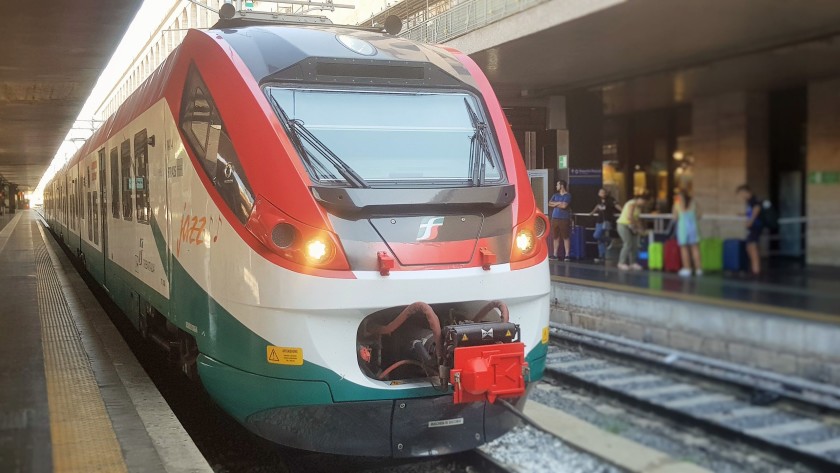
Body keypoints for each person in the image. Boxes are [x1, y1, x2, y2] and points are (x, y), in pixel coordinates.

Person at [673, 189, 702, 277]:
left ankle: (687, 268)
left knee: (684, 249)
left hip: (683, 229)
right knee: (695, 248)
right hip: (693, 227)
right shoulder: (694, 203)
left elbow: (675, 217)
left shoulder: (677, 204)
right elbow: (699, 215)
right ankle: (698, 269)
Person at [616, 193, 648, 271]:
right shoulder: (632, 203)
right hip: (623, 225)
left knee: (634, 245)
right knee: (628, 243)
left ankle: (633, 263)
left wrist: (640, 228)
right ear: (639, 199)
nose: (644, 203)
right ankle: (621, 263)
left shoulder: (638, 208)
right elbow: (629, 217)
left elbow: (637, 219)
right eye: (643, 201)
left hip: (632, 227)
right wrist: (638, 226)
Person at [589, 188, 622, 263]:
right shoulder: (598, 199)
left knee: (597, 236)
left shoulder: (610, 199)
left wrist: (623, 211)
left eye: (603, 192)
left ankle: (609, 241)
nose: (602, 193)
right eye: (600, 192)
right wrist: (592, 212)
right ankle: (602, 256)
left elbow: (616, 205)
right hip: (599, 221)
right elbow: (597, 206)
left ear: (606, 193)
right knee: (599, 239)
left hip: (607, 221)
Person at [737, 184, 763, 276]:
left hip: (756, 227)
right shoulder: (749, 201)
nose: (741, 196)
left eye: (741, 194)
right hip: (753, 227)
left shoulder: (754, 200)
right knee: (749, 246)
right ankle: (754, 268)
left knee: (752, 246)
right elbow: (750, 212)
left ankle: (756, 270)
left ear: (746, 192)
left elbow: (756, 210)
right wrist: (743, 214)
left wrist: (750, 222)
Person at [549, 180, 572, 261]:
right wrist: (559, 203)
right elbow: (549, 203)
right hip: (554, 218)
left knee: (565, 236)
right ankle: (554, 255)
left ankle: (567, 255)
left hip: (564, 219)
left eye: (557, 185)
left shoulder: (568, 195)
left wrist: (555, 204)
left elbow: (564, 206)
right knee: (555, 237)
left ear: (561, 185)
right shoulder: (555, 195)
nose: (556, 186)